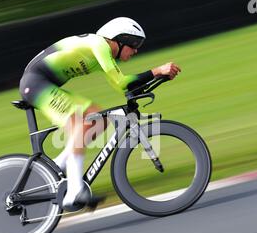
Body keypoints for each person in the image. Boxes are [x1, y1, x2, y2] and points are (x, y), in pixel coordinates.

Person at [19, 17, 181, 211]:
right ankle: (74, 191)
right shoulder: (99, 44)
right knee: (82, 121)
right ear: (119, 40)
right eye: (135, 44)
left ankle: (59, 165)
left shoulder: (102, 53)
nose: (136, 50)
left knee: (98, 119)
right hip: (36, 84)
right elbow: (122, 83)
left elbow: (122, 87)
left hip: (42, 83)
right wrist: (156, 70)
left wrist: (159, 77)